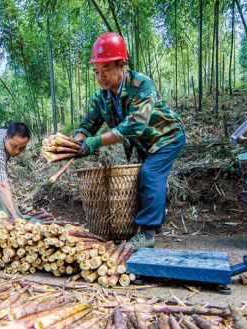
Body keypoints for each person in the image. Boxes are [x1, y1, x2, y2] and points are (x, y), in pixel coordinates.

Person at [71, 32, 186, 250]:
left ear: (121, 64)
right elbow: (87, 125)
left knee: (150, 174)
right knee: (147, 177)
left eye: (106, 69)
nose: (101, 77)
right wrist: (76, 143)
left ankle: (148, 232)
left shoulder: (142, 84)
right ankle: (156, 223)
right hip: (144, 143)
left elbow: (134, 125)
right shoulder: (101, 97)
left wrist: (94, 142)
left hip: (167, 137)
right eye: (96, 71)